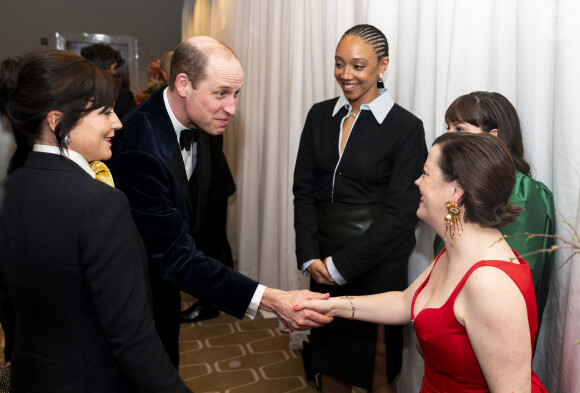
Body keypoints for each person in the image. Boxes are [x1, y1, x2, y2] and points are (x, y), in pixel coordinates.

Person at [107, 35, 333, 368]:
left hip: (166, 291)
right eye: (222, 93)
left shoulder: (202, 122)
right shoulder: (139, 146)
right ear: (183, 84)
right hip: (136, 300)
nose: (232, 108)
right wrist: (271, 299)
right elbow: (174, 258)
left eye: (236, 94)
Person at [295, 132, 548, 393]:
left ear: (456, 191)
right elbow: (406, 302)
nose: (416, 181)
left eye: (426, 174)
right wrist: (329, 306)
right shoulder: (455, 248)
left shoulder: (490, 284)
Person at [0, 49, 191, 392]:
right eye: (105, 112)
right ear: (58, 122)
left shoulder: (10, 188)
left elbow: (9, 305)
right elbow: (132, 338)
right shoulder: (100, 204)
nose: (118, 122)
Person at [293, 24, 427, 393]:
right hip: (322, 264)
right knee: (330, 363)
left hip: (377, 266)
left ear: (382, 65)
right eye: (339, 64)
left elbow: (402, 215)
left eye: (357, 65)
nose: (345, 75)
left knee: (376, 371)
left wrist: (341, 267)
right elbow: (303, 192)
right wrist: (310, 257)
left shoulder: (406, 127)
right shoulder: (319, 116)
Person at [435, 91, 555, 331]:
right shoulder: (457, 185)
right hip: (445, 315)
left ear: (493, 138)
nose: (448, 137)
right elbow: (443, 254)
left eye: (459, 130)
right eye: (447, 128)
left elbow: (518, 278)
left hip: (491, 325)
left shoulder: (523, 192)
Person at [80, 43, 137, 119]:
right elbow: (132, 125)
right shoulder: (123, 97)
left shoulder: (75, 93)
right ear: (112, 66)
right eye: (116, 69)